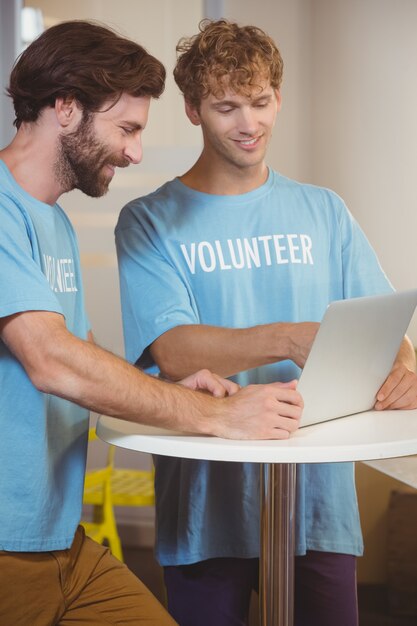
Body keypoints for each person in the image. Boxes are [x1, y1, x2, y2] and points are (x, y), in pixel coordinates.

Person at [0, 20, 306, 626]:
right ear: (66, 109)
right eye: (127, 129)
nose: (135, 152)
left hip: (63, 543)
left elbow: (80, 361)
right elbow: (51, 360)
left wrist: (168, 391)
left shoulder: (51, 222)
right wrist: (220, 416)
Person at [115, 18, 417, 626]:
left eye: (259, 103)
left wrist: (406, 367)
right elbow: (173, 351)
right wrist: (285, 336)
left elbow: (388, 331)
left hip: (320, 505)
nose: (248, 124)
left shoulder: (323, 211)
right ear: (194, 109)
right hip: (206, 508)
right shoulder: (148, 221)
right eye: (227, 107)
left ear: (278, 98)